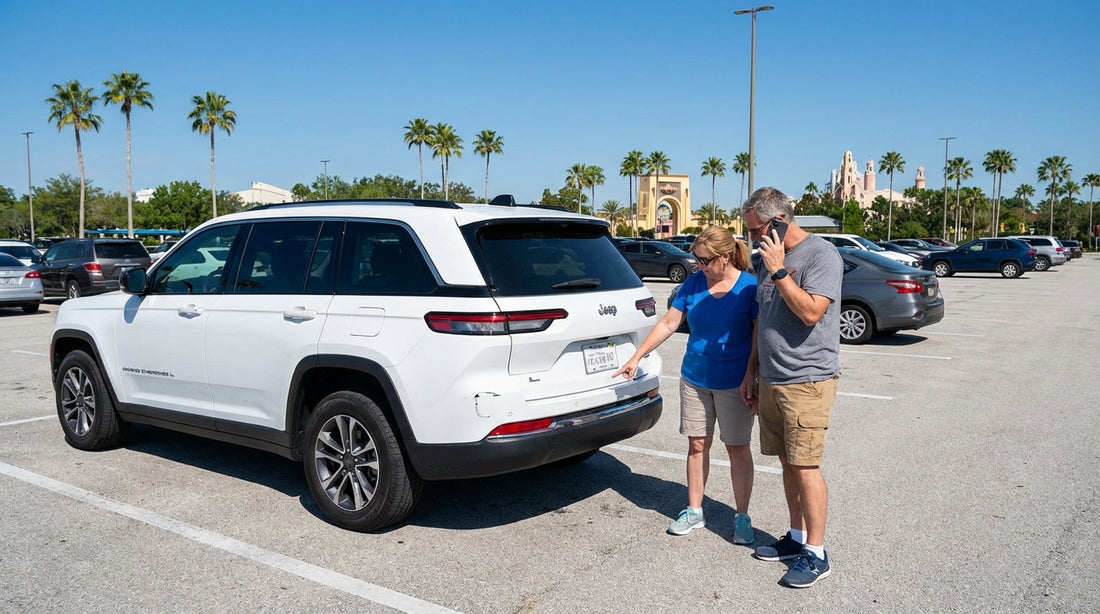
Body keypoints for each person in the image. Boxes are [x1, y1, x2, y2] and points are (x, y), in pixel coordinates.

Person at [613, 226, 758, 544]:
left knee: (737, 449)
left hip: (735, 382)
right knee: (696, 445)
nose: (699, 265)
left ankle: (742, 516)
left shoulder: (749, 287)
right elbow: (668, 322)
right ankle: (694, 511)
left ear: (724, 257)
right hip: (695, 379)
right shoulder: (693, 284)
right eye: (696, 258)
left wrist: (752, 375)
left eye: (705, 260)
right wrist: (638, 355)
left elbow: (758, 335)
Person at [739, 187, 844, 588]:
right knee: (786, 462)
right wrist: (753, 369)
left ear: (778, 222)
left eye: (754, 230)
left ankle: (817, 554)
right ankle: (797, 538)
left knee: (805, 466)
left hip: (807, 381)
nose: (750, 239)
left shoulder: (821, 256)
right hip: (773, 377)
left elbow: (811, 312)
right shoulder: (766, 255)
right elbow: (762, 319)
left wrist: (781, 270)